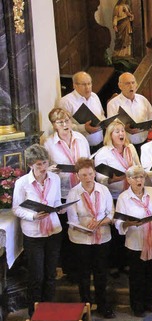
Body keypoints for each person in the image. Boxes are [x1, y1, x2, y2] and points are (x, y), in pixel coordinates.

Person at [12, 145, 63, 313]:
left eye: (45, 163)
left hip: (53, 231)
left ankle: (48, 311)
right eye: (38, 165)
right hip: (34, 233)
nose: (43, 168)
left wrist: (60, 208)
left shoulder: (54, 179)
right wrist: (33, 216)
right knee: (36, 276)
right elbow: (17, 209)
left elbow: (56, 201)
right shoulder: (22, 183)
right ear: (31, 165)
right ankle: (34, 314)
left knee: (50, 275)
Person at [43, 108, 91, 281]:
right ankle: (71, 270)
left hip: (82, 189)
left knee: (84, 226)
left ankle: (85, 267)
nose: (64, 124)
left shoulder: (81, 138)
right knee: (68, 229)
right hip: (63, 191)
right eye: (59, 122)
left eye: (67, 120)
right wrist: (52, 170)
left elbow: (88, 161)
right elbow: (45, 169)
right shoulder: (48, 144)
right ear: (54, 125)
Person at [66, 158, 114, 318]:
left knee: (101, 273)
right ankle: (85, 306)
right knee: (84, 274)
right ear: (78, 175)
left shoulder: (103, 190)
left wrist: (100, 222)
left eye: (90, 174)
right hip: (81, 238)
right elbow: (72, 219)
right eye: (83, 175)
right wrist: (85, 227)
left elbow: (111, 213)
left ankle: (103, 305)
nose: (88, 178)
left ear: (94, 173)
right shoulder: (73, 193)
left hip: (102, 236)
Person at [114, 166, 152, 317]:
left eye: (141, 177)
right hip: (135, 242)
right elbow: (118, 221)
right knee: (137, 277)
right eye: (135, 178)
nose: (139, 180)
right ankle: (137, 306)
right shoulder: (123, 197)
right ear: (128, 180)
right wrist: (128, 223)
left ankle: (149, 302)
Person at [93, 119, 143, 200]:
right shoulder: (102, 153)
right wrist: (111, 180)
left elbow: (139, 167)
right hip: (114, 196)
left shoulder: (131, 147)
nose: (121, 133)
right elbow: (100, 180)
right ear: (110, 135)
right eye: (117, 131)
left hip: (133, 193)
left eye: (123, 131)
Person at [58, 71, 106, 153]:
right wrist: (84, 128)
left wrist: (104, 122)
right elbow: (63, 127)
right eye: (83, 84)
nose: (87, 87)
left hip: (100, 144)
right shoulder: (66, 101)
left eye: (89, 83)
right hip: (80, 148)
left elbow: (102, 115)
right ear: (74, 85)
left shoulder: (94, 96)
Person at [106, 72, 152, 150]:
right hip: (124, 146)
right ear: (120, 86)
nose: (131, 86)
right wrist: (124, 129)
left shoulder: (143, 99)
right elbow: (110, 128)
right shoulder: (113, 104)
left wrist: (149, 126)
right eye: (127, 83)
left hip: (144, 143)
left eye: (133, 83)